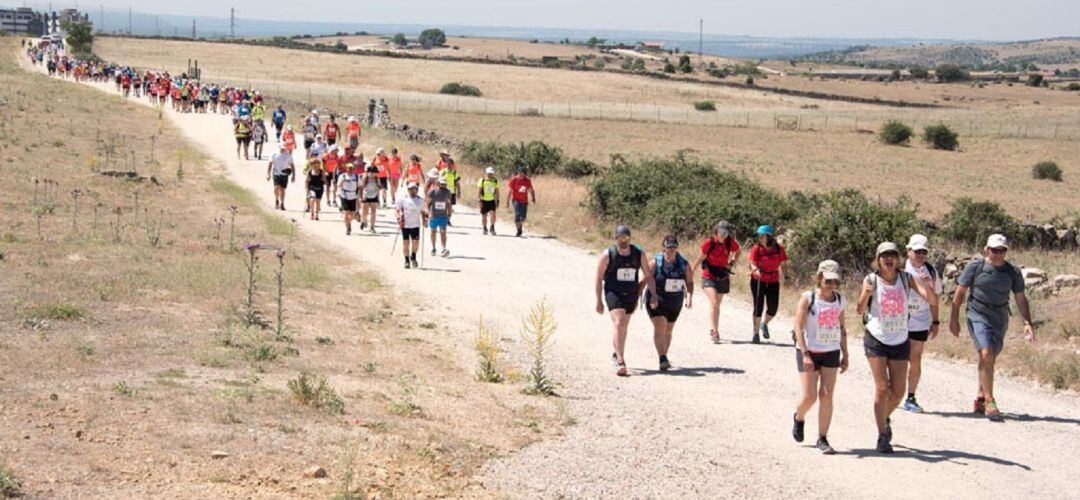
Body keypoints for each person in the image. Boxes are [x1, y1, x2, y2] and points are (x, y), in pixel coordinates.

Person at [857, 242, 937, 453]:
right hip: (877, 338)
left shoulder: (906, 279)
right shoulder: (871, 280)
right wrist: (866, 294)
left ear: (898, 258)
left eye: (892, 255)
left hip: (900, 338)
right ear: (878, 259)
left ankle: (883, 417)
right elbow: (859, 310)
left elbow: (931, 300)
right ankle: (882, 435)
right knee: (882, 388)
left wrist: (927, 284)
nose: (889, 259)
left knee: (899, 391)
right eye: (885, 256)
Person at [950, 234, 1034, 421]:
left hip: (1000, 317)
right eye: (994, 250)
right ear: (986, 249)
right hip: (977, 314)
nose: (998, 254)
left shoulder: (1011, 271)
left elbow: (1020, 297)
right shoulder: (975, 267)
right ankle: (990, 401)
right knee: (986, 353)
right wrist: (953, 319)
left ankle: (980, 396)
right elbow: (960, 292)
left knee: (989, 356)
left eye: (1002, 250)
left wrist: (1028, 322)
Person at [792, 260, 849, 455]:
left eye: (835, 281)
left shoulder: (840, 300)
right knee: (810, 396)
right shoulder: (808, 298)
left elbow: (842, 327)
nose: (832, 285)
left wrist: (846, 353)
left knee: (827, 395)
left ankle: (822, 437)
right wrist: (805, 353)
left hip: (831, 351)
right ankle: (799, 417)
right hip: (809, 351)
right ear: (819, 278)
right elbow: (798, 327)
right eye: (828, 281)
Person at [594, 225, 658, 377]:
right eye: (621, 238)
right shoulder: (608, 255)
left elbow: (648, 275)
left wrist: (653, 294)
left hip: (631, 294)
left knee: (624, 326)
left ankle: (617, 353)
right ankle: (621, 361)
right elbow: (598, 278)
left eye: (626, 237)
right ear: (616, 238)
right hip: (613, 292)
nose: (624, 240)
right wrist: (598, 300)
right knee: (619, 322)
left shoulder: (638, 254)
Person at [902, 234, 943, 414]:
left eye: (923, 252)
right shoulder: (899, 269)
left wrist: (935, 321)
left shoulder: (931, 272)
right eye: (917, 251)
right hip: (898, 321)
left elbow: (934, 299)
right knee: (897, 359)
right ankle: (891, 389)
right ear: (908, 250)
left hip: (920, 320)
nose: (920, 255)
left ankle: (910, 396)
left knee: (915, 358)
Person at [642, 235, 693, 372]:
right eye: (669, 247)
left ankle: (664, 356)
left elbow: (689, 281)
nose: (672, 250)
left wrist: (689, 296)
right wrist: (638, 296)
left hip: (675, 302)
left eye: (674, 247)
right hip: (657, 299)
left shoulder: (683, 264)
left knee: (668, 331)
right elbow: (645, 279)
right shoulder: (655, 263)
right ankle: (662, 358)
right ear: (664, 247)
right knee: (660, 327)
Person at [691, 221, 741, 343]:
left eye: (726, 232)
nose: (724, 235)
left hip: (722, 275)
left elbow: (738, 251)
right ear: (716, 231)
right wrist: (692, 270)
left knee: (717, 304)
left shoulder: (730, 242)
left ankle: (715, 328)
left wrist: (732, 263)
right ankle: (714, 331)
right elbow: (701, 257)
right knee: (713, 302)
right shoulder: (710, 242)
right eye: (722, 232)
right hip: (709, 274)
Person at [748, 225, 787, 343]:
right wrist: (756, 270)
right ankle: (755, 333)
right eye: (759, 236)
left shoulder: (779, 248)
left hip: (773, 279)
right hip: (758, 280)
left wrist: (786, 276)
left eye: (762, 236)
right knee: (758, 305)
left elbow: (783, 263)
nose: (759, 238)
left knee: (773, 308)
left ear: (769, 236)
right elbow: (752, 263)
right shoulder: (756, 249)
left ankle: (764, 324)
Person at [395, 183, 425, 269]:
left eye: (414, 189)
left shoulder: (420, 200)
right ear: (408, 190)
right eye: (410, 189)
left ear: (417, 190)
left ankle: (413, 256)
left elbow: (423, 211)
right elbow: (397, 210)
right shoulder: (403, 200)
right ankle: (407, 261)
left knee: (416, 243)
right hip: (405, 225)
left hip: (415, 225)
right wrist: (398, 218)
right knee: (406, 243)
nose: (412, 191)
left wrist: (424, 220)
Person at [425, 177, 453, 257]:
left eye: (444, 184)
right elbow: (427, 203)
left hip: (443, 215)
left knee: (443, 232)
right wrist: (428, 213)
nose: (443, 186)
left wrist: (449, 213)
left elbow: (448, 203)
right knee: (433, 231)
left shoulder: (447, 192)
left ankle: (444, 248)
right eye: (442, 184)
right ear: (438, 184)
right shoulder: (433, 192)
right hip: (433, 215)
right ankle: (433, 248)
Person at [506, 167, 536, 237]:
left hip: (524, 201)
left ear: (524, 173)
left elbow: (531, 189)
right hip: (516, 200)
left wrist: (533, 198)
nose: (521, 174)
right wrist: (507, 201)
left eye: (522, 173)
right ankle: (518, 230)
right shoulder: (514, 179)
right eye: (519, 172)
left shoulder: (527, 180)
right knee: (517, 215)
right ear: (518, 172)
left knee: (523, 217)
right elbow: (510, 191)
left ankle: (520, 227)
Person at [266, 144, 295, 211]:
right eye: (282, 148)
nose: (283, 149)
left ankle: (282, 203)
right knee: (276, 187)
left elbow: (292, 165)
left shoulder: (288, 155)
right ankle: (276, 200)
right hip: (276, 173)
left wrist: (293, 175)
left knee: (282, 189)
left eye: (284, 148)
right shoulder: (274, 154)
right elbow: (270, 164)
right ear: (279, 147)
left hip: (284, 174)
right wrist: (268, 174)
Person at [337, 163, 361, 235]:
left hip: (353, 196)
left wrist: (360, 196)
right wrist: (343, 181)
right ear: (346, 168)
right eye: (348, 168)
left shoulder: (356, 176)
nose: (350, 169)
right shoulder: (342, 176)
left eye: (351, 168)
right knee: (346, 213)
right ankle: (348, 228)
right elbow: (339, 186)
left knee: (353, 215)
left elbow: (359, 186)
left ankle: (348, 222)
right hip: (344, 196)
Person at [478, 167, 499, 235]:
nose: (490, 174)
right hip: (484, 200)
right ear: (486, 173)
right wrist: (479, 200)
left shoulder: (495, 181)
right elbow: (479, 191)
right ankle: (484, 228)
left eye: (492, 173)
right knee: (484, 215)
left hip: (492, 200)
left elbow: (497, 191)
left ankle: (492, 227)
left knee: (493, 214)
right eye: (489, 173)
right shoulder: (482, 180)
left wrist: (498, 200)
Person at [360, 165, 381, 234]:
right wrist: (361, 197)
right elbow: (361, 187)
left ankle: (372, 227)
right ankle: (363, 221)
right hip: (365, 196)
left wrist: (378, 197)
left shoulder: (377, 178)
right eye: (374, 172)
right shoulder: (365, 178)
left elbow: (379, 188)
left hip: (374, 196)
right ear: (370, 172)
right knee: (365, 212)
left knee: (373, 212)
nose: (375, 174)